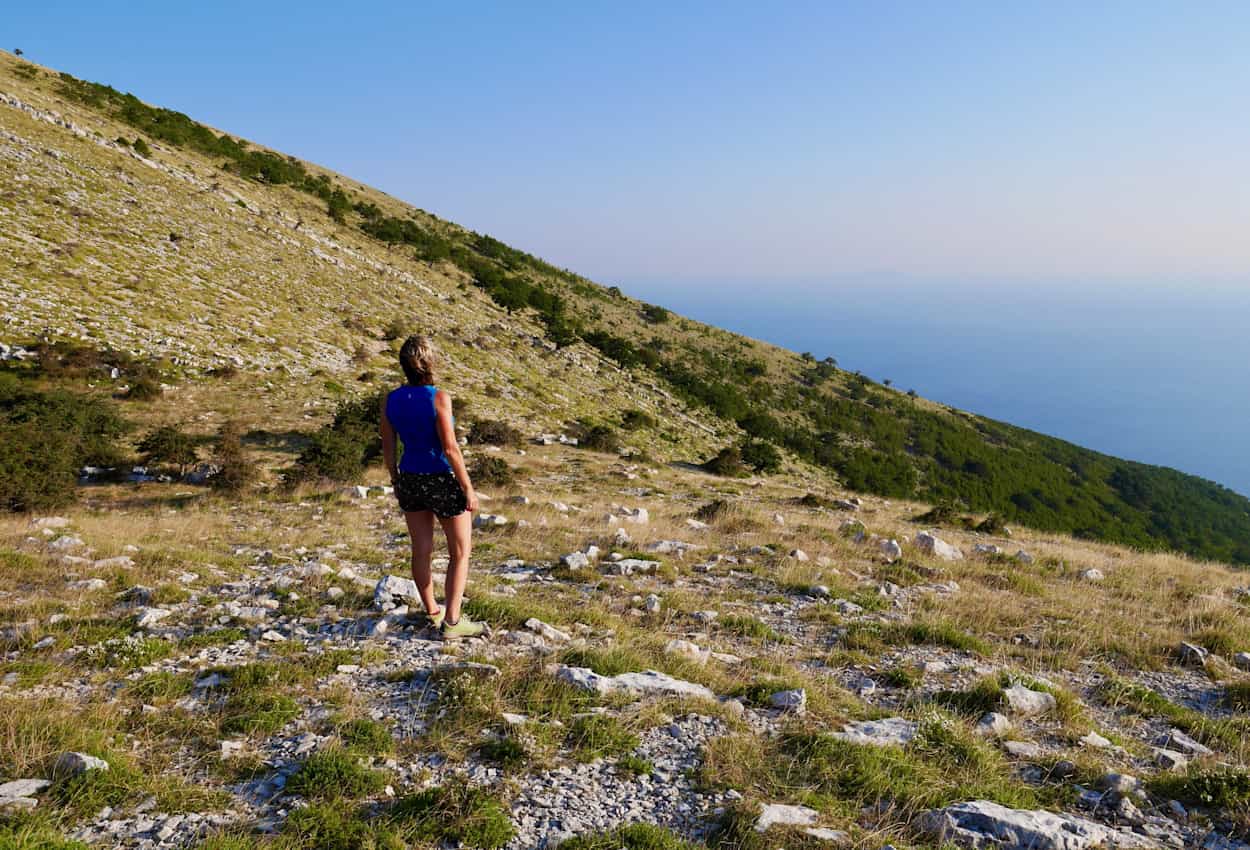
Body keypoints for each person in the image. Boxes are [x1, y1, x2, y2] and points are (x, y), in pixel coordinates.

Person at [380, 335, 485, 639]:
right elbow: (450, 449)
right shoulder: (439, 398)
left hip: (410, 477)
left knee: (421, 550)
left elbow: (389, 447)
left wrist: (396, 480)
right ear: (430, 362)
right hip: (440, 477)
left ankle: (432, 611)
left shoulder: (390, 400)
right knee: (460, 552)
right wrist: (468, 488)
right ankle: (452, 622)